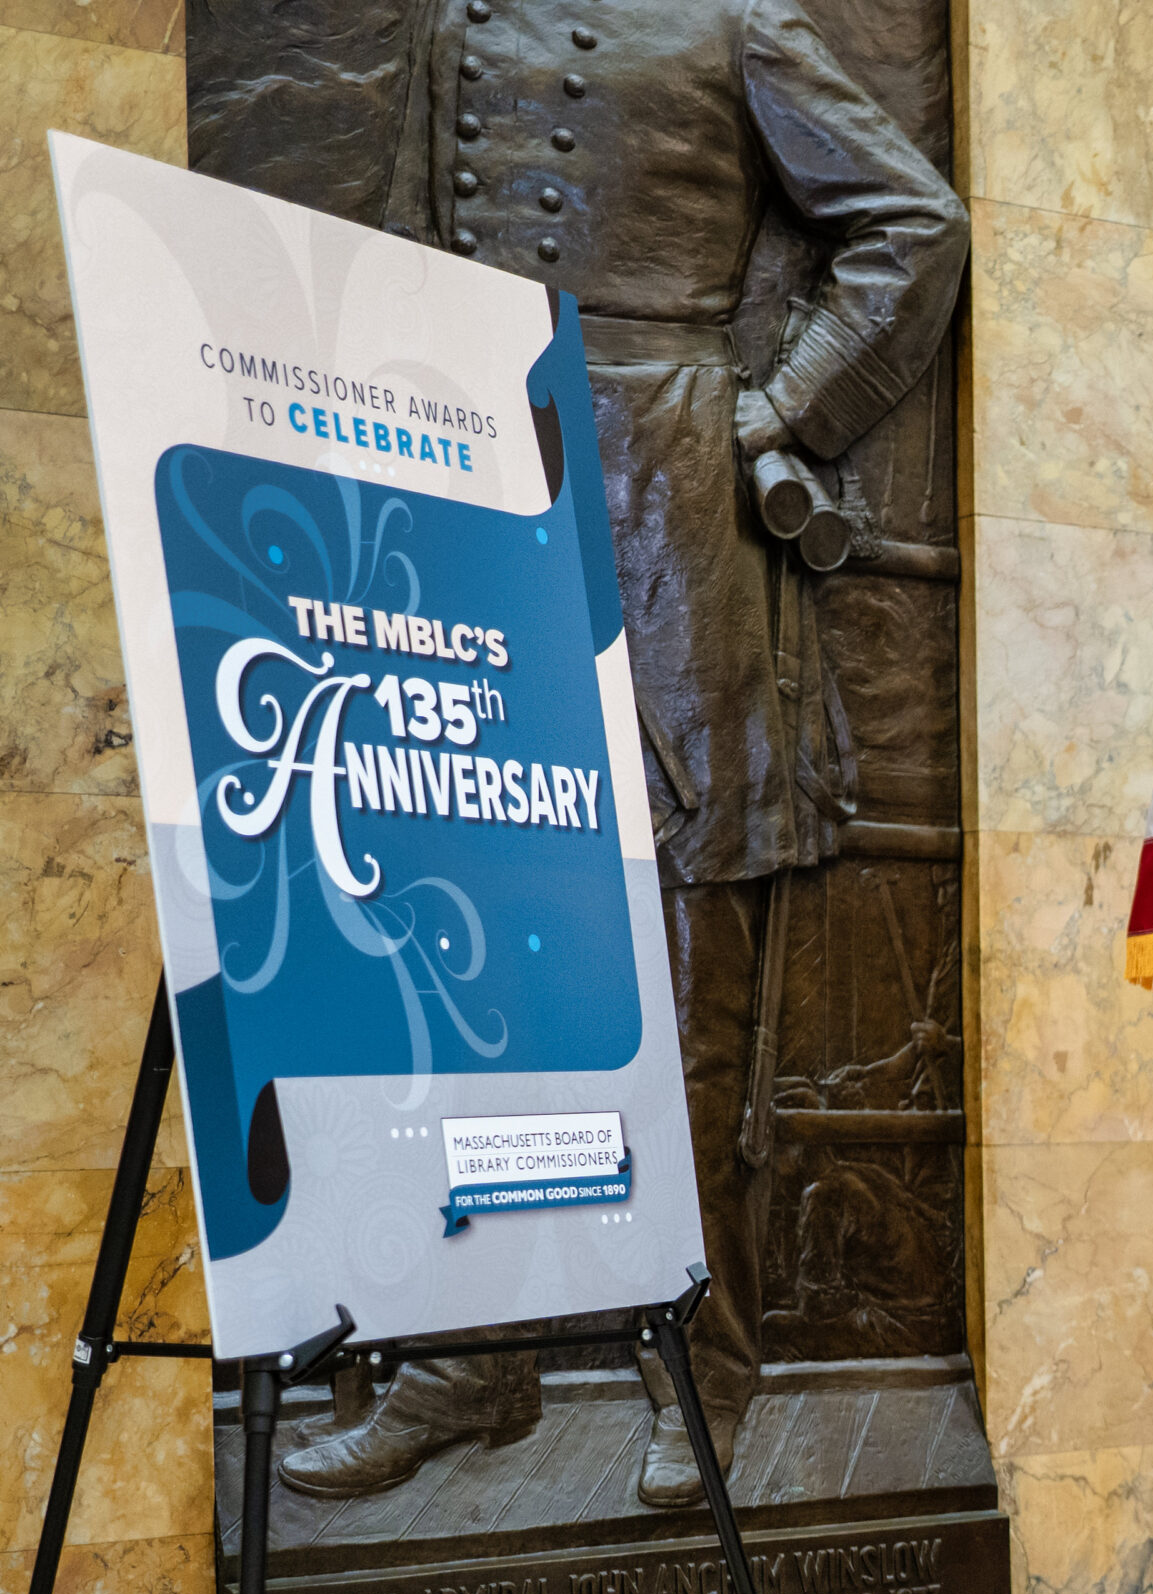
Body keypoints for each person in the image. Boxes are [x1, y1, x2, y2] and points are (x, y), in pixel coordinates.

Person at [226, 0, 970, 1508]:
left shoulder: (738, 20)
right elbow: (401, 245)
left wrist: (773, 410)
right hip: (468, 466)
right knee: (466, 941)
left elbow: (915, 221)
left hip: (671, 493)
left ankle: (696, 1370)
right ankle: (461, 1364)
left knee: (692, 975)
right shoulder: (461, 20)